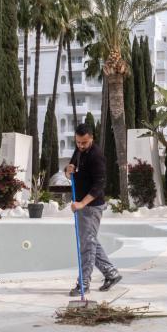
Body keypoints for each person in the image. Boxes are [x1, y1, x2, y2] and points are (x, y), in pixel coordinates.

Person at [65, 123, 121, 296]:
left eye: (84, 143)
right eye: (78, 142)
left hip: (91, 207)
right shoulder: (79, 151)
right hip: (81, 205)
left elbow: (99, 185)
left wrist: (82, 203)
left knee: (87, 245)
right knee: (90, 241)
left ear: (91, 139)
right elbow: (71, 172)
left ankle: (84, 284)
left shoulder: (96, 156)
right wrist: (68, 170)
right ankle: (111, 274)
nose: (81, 146)